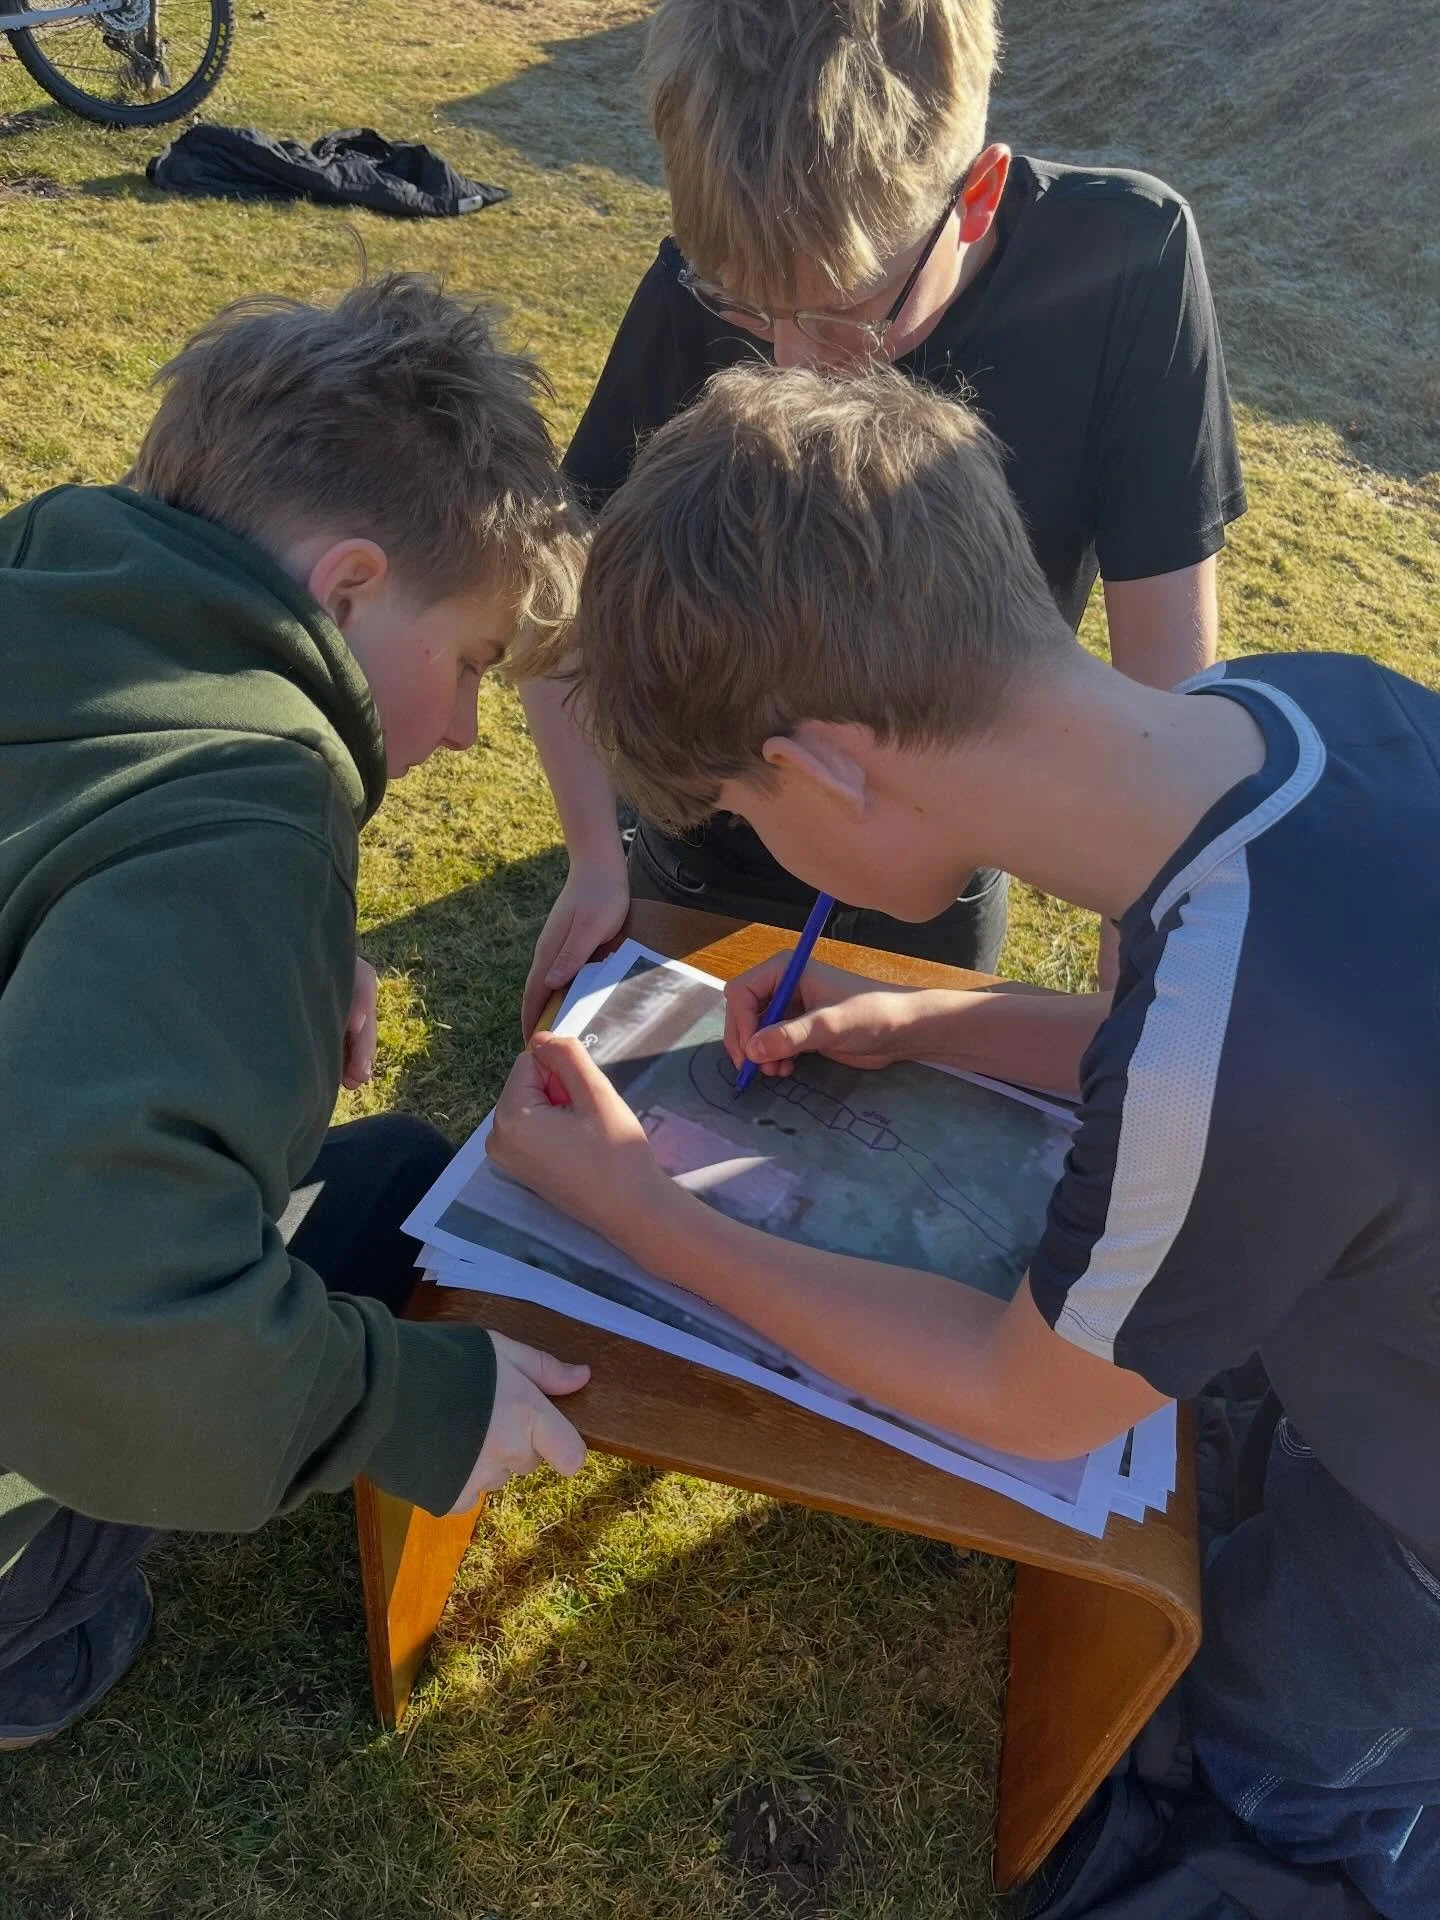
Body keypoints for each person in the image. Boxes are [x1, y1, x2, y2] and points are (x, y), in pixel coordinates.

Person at [488, 364, 1440, 1918]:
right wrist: (927, 1022)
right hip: (1376, 1321)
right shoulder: (1285, 709)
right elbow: (1188, 1060)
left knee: (1271, 1755)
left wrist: (638, 1205)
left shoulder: (1240, 1041)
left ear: (821, 769)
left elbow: (1025, 1399)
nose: (760, 847)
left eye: (743, 810)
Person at [0, 275, 595, 1751]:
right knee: (399, 1205)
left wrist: (273, 953)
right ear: (345, 588)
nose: (466, 729)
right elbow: (87, 1313)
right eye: (469, 664)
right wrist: (413, 1405)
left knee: (387, 1172)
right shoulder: (254, 811)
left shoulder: (48, 574)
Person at [518, 0, 1246, 1033]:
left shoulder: (1128, 256)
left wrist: (1138, 986)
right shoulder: (725, 264)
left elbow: (1165, 666)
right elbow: (563, 573)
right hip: (713, 837)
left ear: (976, 199)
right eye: (745, 309)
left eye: (840, 314)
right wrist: (598, 856)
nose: (788, 363)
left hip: (938, 842)